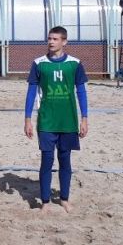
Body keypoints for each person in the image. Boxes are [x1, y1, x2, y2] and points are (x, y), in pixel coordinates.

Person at [23, 26, 89, 214]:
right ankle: (45, 202)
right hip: (46, 121)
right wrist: (27, 119)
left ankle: (64, 199)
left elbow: (81, 92)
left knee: (65, 160)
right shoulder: (39, 63)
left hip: (68, 121)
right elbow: (31, 92)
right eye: (50, 38)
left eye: (55, 39)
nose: (51, 42)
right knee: (46, 160)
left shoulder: (75, 64)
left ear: (64, 41)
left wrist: (84, 118)